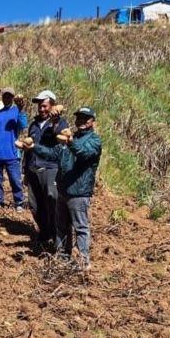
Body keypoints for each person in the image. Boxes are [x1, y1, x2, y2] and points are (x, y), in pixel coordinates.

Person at [41, 107, 102, 270]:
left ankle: (83, 261)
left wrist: (70, 142)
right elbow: (52, 154)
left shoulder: (94, 140)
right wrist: (34, 148)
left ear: (92, 121)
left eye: (85, 118)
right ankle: (62, 256)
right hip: (63, 190)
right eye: (79, 118)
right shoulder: (71, 138)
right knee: (61, 226)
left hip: (79, 192)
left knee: (80, 227)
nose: (81, 121)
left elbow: (84, 154)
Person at [19, 90, 68, 250]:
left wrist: (55, 121)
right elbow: (28, 149)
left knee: (52, 202)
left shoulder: (60, 123)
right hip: (33, 168)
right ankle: (44, 233)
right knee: (35, 205)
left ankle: (57, 237)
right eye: (40, 106)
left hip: (50, 168)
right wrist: (25, 171)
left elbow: (61, 138)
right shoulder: (34, 124)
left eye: (45, 106)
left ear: (52, 106)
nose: (41, 109)